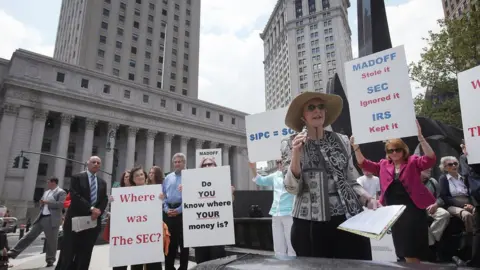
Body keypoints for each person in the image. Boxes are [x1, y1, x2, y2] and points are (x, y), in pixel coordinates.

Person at [282, 92, 378, 260]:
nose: (317, 111)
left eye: (321, 107)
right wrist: (296, 153)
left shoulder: (342, 140)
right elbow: (292, 187)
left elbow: (350, 179)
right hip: (310, 222)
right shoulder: (289, 143)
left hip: (349, 217)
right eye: (311, 108)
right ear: (302, 116)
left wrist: (368, 198)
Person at [351, 121, 436, 263]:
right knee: (402, 248)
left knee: (413, 248)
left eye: (397, 149)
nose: (394, 153)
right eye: (390, 150)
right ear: (387, 153)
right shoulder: (383, 165)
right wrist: (356, 148)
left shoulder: (413, 161)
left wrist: (420, 137)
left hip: (413, 209)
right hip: (394, 212)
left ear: (404, 150)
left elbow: (430, 159)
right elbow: (364, 163)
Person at [111, 166, 170, 270]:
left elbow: (158, 209)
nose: (140, 177)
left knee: (153, 263)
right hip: (134, 235)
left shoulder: (154, 191)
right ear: (133, 179)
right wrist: (114, 201)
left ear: (145, 176)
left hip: (151, 234)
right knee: (136, 263)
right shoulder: (126, 193)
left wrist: (161, 199)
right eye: (137, 175)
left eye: (141, 174)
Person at [55, 156, 108, 270]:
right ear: (87, 164)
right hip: (75, 221)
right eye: (93, 162)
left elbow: (104, 199)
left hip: (93, 222)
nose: (96, 164)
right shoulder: (77, 178)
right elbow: (75, 195)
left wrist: (98, 212)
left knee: (86, 253)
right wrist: (91, 209)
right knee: (69, 251)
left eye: (98, 162)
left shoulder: (102, 182)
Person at [8, 177, 66, 267]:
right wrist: (42, 203)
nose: (47, 184)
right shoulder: (47, 192)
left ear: (53, 182)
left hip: (52, 219)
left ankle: (50, 259)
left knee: (51, 240)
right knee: (29, 235)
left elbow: (61, 204)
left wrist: (47, 202)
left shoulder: (61, 192)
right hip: (41, 217)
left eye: (49, 182)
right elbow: (43, 203)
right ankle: (13, 252)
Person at [249, 160, 295, 257]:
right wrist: (253, 167)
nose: (279, 164)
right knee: (278, 245)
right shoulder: (275, 175)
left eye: (281, 162)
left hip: (289, 212)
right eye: (278, 162)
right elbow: (260, 180)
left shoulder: (294, 173)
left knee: (292, 245)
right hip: (276, 213)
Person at [194, 157, 235, 264]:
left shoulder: (223, 181)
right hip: (200, 230)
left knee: (217, 260)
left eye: (210, 164)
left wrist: (230, 193)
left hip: (217, 230)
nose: (207, 166)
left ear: (215, 166)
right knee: (201, 261)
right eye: (204, 165)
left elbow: (228, 204)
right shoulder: (194, 183)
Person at [438, 156, 475, 244]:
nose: (454, 166)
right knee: (467, 215)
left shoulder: (463, 177)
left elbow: (471, 193)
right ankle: (471, 239)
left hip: (468, 202)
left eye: (455, 163)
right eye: (450, 164)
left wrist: (471, 204)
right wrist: (462, 206)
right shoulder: (443, 179)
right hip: (452, 205)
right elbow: (444, 197)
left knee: (477, 212)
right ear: (445, 167)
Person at [163, 153, 189, 270]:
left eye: (180, 161)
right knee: (169, 243)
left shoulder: (189, 177)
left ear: (184, 163)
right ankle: (169, 267)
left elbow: (192, 196)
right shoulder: (168, 177)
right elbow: (163, 196)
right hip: (169, 212)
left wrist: (179, 210)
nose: (177, 164)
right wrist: (166, 209)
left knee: (184, 244)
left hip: (183, 213)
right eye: (175, 162)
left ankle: (183, 268)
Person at [421, 168, 450, 257]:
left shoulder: (433, 181)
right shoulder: (410, 181)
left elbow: (440, 197)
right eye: (426, 167)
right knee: (419, 220)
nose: (430, 169)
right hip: (416, 209)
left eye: (430, 167)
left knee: (444, 214)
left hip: (431, 207)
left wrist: (436, 204)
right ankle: (433, 247)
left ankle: (432, 242)